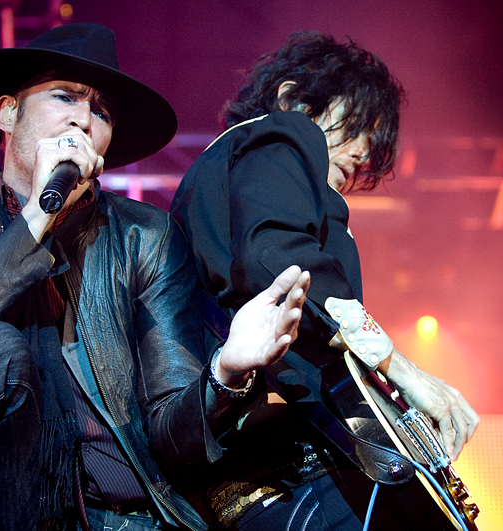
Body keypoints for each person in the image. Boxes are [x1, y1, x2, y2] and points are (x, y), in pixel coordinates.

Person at [0, 23, 311, 531]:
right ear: (7, 111)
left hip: (132, 519)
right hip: (11, 513)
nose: (83, 119)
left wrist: (226, 373)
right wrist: (36, 222)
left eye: (101, 110)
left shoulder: (146, 236)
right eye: (65, 96)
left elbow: (172, 439)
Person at [169, 32, 481, 530]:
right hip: (305, 481)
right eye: (357, 125)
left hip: (274, 490)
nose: (362, 155)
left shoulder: (224, 182)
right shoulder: (280, 134)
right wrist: (406, 374)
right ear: (293, 99)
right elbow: (281, 260)